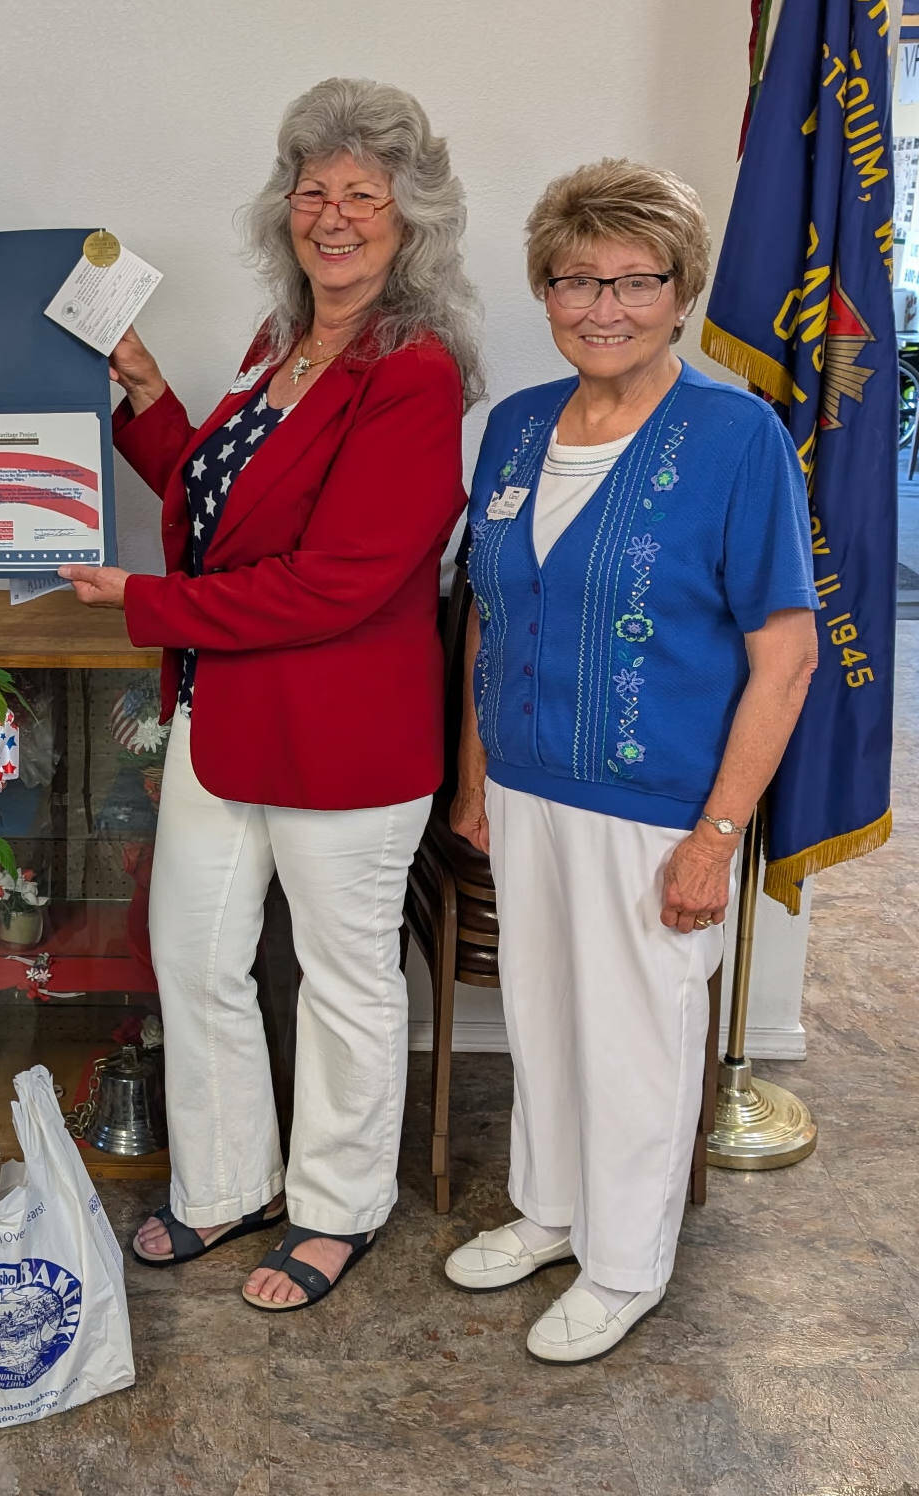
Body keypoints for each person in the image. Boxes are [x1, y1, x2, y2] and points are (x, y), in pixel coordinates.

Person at [60, 77, 480, 1312]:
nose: (334, 215)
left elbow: (338, 582)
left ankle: (338, 1205)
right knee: (191, 958)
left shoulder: (415, 371)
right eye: (314, 190)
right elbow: (218, 501)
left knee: (347, 984)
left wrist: (140, 603)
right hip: (225, 714)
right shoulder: (275, 342)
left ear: (410, 221)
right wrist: (142, 391)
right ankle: (225, 1179)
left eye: (364, 194)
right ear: (283, 209)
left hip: (347, 736)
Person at [443, 159, 819, 1362]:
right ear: (543, 289)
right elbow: (484, 617)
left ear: (678, 291)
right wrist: (471, 777)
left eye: (632, 280)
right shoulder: (508, 429)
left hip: (656, 801)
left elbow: (786, 653)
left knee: (638, 1035)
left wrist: (715, 833)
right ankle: (551, 1210)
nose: (600, 305)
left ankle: (624, 1262)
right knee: (543, 1018)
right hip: (521, 785)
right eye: (572, 279)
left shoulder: (735, 435)